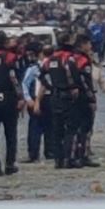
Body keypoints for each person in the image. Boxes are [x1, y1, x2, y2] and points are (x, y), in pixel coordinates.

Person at [39, 33, 76, 169]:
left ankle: (57, 160)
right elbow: (74, 75)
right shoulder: (68, 57)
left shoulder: (50, 60)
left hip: (54, 96)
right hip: (67, 96)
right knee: (70, 129)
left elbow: (42, 75)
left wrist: (51, 86)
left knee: (56, 129)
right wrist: (73, 88)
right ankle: (67, 158)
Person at [0, 30, 25, 177]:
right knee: (11, 133)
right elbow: (14, 79)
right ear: (5, 42)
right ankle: (10, 164)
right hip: (8, 98)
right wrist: (20, 97)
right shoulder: (10, 57)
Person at [68, 32, 99, 168]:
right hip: (83, 98)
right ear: (83, 45)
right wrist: (91, 98)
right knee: (85, 128)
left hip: (71, 97)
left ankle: (72, 156)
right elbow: (84, 80)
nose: (90, 46)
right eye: (89, 44)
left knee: (74, 128)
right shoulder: (83, 60)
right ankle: (82, 155)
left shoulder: (70, 57)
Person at [21, 43, 46, 163]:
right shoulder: (34, 68)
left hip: (48, 98)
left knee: (50, 126)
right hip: (35, 98)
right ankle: (33, 153)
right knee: (35, 127)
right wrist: (28, 99)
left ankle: (50, 151)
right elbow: (24, 84)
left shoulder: (46, 65)